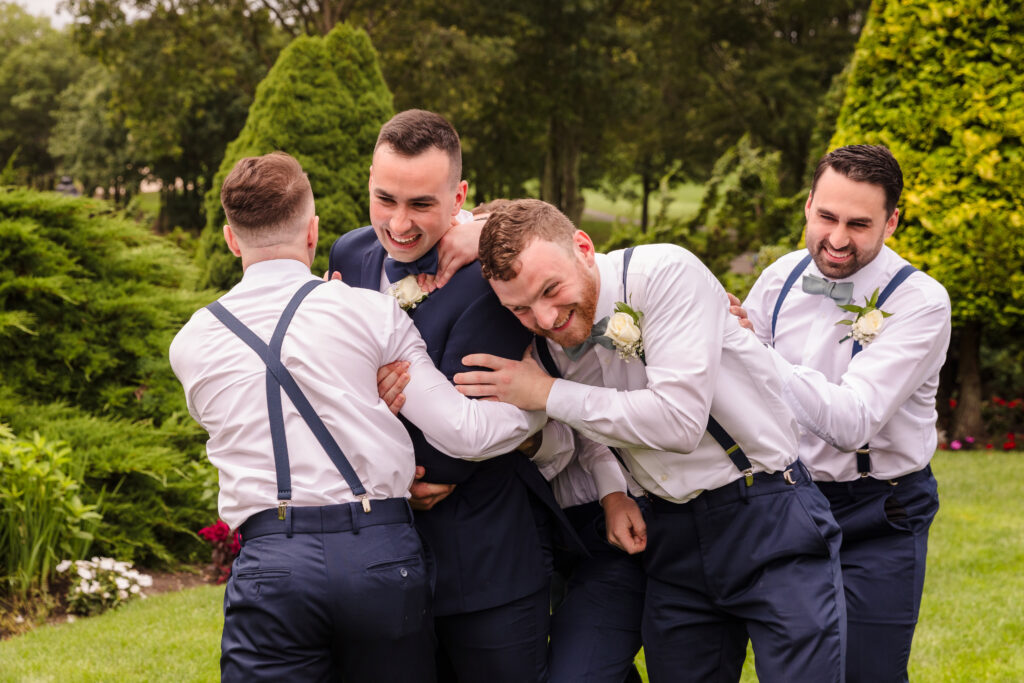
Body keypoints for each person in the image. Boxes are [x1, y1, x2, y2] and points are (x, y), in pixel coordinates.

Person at [169, 151, 547, 682]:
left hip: (269, 561)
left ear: (231, 239)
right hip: (379, 553)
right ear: (312, 231)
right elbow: (464, 431)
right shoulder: (369, 312)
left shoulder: (189, 344)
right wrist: (541, 407)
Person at [451, 198, 847, 683]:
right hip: (671, 536)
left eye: (551, 290)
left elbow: (678, 422)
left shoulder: (665, 273)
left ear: (582, 246)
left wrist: (546, 393)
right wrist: (612, 490)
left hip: (766, 511)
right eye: (520, 309)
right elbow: (592, 427)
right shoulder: (550, 346)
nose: (546, 318)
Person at [327, 110, 596, 683]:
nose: (399, 224)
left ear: (460, 196)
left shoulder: (488, 278)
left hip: (486, 564)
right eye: (385, 199)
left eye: (422, 204)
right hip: (385, 561)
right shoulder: (347, 256)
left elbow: (454, 450)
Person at [740, 144, 950, 682]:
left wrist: (751, 353)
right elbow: (744, 395)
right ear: (808, 204)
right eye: (827, 216)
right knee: (793, 670)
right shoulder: (779, 278)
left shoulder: (921, 302)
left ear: (892, 221)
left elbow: (852, 420)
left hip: (879, 509)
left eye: (859, 224)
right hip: (787, 500)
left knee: (867, 672)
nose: (836, 239)